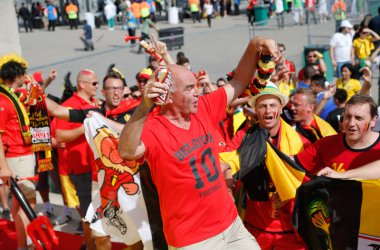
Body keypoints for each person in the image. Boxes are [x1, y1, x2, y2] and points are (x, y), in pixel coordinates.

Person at [117, 37, 277, 249]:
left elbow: (239, 81)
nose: (198, 92)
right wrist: (143, 107)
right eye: (190, 88)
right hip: (193, 240)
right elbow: (127, 151)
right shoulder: (152, 128)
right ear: (169, 95)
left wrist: (254, 44)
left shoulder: (203, 108)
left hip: (231, 226)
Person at [220, 83, 310, 249]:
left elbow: (311, 179)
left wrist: (289, 191)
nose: (268, 111)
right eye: (262, 106)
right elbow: (226, 161)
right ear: (256, 110)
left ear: (281, 109)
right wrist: (227, 190)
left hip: (290, 230)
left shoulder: (300, 142)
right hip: (254, 226)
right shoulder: (244, 136)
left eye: (272, 106)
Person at [55, 69, 99, 249]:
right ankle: (90, 244)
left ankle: (89, 241)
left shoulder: (94, 103)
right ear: (82, 84)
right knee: (89, 211)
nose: (97, 86)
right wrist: (86, 126)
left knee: (97, 210)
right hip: (81, 168)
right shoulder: (69, 106)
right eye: (94, 83)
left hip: (96, 166)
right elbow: (59, 136)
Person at [0, 55, 36, 249]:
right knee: (28, 203)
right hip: (17, 156)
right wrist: (4, 166)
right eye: (24, 74)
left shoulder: (12, 96)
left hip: (21, 154)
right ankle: (26, 246)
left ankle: (22, 245)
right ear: (16, 76)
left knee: (18, 203)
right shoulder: (4, 100)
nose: (26, 77)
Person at [295, 94, 380, 177]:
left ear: (373, 120)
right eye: (347, 117)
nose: (351, 123)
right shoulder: (326, 144)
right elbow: (291, 167)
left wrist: (342, 175)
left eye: (359, 118)